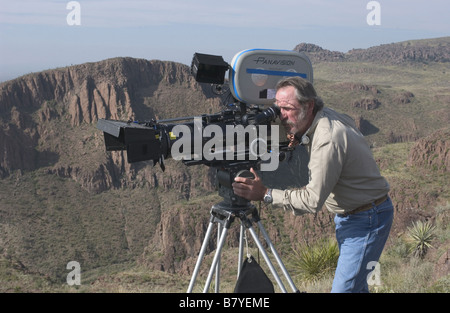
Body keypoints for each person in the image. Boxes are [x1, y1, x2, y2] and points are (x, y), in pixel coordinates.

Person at [232, 76, 394, 293]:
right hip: (354, 214)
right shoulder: (321, 116)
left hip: (366, 218)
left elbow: (312, 200)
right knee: (356, 286)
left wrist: (265, 194)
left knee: (345, 289)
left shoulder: (328, 138)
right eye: (277, 108)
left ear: (308, 106)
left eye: (287, 109)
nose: (280, 116)